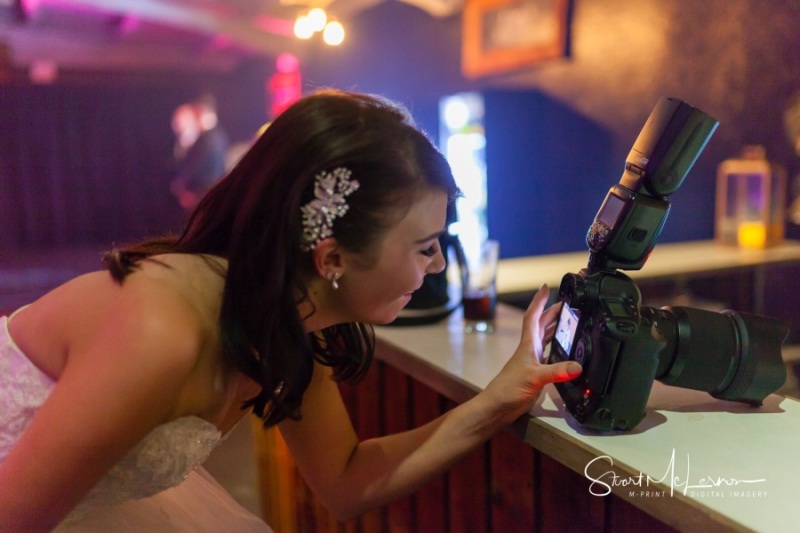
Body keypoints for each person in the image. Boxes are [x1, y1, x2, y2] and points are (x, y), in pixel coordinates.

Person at [0, 89, 582, 531]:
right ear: (332, 256)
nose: (436, 269)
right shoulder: (164, 332)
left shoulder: (284, 316)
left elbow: (347, 479)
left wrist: (501, 397)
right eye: (425, 248)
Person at [169, 94, 230, 213]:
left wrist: (187, 189)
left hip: (203, 198)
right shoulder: (214, 137)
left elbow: (204, 171)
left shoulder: (209, 140)